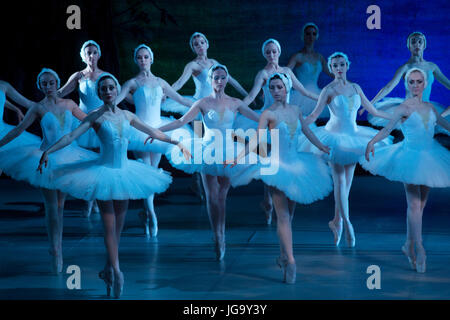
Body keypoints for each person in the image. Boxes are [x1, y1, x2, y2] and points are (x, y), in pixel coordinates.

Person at [37, 72, 191, 298]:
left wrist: (176, 141)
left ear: (117, 90)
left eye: (111, 87)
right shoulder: (95, 116)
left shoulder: (127, 115)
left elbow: (152, 131)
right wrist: (48, 151)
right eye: (104, 89)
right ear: (99, 93)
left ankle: (109, 267)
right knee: (109, 227)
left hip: (126, 172)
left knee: (117, 229)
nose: (108, 91)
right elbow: (71, 137)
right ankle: (118, 272)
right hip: (103, 173)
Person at [225, 73, 333, 284]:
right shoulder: (268, 114)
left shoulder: (296, 110)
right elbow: (256, 139)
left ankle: (284, 256)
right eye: (272, 88)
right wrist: (238, 157)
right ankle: (291, 261)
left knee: (288, 217)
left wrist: (321, 146)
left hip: (297, 165)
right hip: (275, 166)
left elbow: (306, 131)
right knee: (283, 216)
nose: (275, 91)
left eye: (279, 87)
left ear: (287, 88)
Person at [149, 64, 259, 261]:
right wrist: (157, 131)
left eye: (222, 77)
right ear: (210, 80)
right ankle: (216, 235)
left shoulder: (235, 103)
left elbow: (260, 119)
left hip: (228, 150)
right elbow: (181, 121)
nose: (219, 81)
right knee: (211, 195)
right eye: (216, 77)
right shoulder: (202, 102)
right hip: (207, 150)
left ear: (226, 79)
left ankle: (222, 233)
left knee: (222, 196)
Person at [0, 68, 98, 274]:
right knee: (52, 205)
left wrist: (106, 120)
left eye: (51, 82)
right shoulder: (38, 108)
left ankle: (58, 246)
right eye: (44, 84)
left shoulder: (69, 104)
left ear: (57, 82)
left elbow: (87, 120)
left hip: (69, 156)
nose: (48, 86)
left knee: (60, 206)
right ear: (40, 86)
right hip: (45, 158)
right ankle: (56, 249)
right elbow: (18, 130)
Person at [299, 52, 393, 247]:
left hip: (354, 137)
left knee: (346, 187)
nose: (339, 68)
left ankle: (336, 221)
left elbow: (373, 111)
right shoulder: (328, 90)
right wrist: (298, 121)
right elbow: (314, 115)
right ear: (331, 69)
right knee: (340, 181)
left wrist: (395, 117)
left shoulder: (356, 87)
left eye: (341, 64)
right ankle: (347, 223)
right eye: (334, 65)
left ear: (347, 65)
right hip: (333, 138)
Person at [361, 68, 450, 273]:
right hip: (409, 156)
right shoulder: (403, 109)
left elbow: (445, 126)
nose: (416, 85)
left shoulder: (430, 108)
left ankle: (408, 244)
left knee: (421, 205)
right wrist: (372, 142)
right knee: (414, 205)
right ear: (407, 84)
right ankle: (419, 248)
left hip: (431, 157)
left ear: (425, 84)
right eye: (411, 82)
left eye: (419, 82)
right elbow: (387, 129)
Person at [235, 38, 320, 224]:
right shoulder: (263, 74)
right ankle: (269, 199)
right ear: (264, 54)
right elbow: (251, 95)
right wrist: (237, 107)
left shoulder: (287, 72)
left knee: (285, 158)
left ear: (279, 52)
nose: (271, 55)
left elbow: (304, 92)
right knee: (270, 159)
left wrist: (323, 98)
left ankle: (280, 202)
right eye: (268, 52)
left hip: (287, 118)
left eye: (274, 51)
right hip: (269, 118)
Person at [113, 44, 193, 237]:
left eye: (146, 57)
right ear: (135, 60)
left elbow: (182, 100)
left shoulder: (160, 82)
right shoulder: (132, 83)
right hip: (139, 130)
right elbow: (115, 101)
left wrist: (204, 105)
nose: (143, 60)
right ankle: (152, 213)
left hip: (158, 129)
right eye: (139, 57)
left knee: (153, 173)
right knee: (147, 170)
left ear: (151, 59)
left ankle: (147, 211)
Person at [360, 32, 450, 134]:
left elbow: (448, 83)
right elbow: (388, 87)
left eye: (420, 41)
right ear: (409, 46)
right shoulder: (405, 68)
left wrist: (439, 116)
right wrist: (370, 103)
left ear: (424, 45)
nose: (417, 44)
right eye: (413, 42)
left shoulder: (432, 67)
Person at [58, 40, 107, 217]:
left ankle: (95, 199)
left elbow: (114, 97)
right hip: (82, 120)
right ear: (83, 56)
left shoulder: (105, 76)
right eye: (88, 53)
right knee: (86, 162)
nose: (91, 56)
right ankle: (88, 199)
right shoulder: (79, 75)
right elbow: (61, 92)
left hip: (100, 121)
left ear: (99, 54)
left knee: (100, 161)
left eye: (94, 52)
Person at [161, 32, 249, 115]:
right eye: (196, 44)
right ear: (194, 49)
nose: (200, 45)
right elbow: (179, 83)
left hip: (215, 102)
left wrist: (247, 95)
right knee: (198, 130)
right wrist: (165, 93)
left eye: (202, 42)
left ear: (207, 44)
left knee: (219, 128)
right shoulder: (193, 65)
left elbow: (232, 80)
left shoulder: (214, 63)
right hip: (199, 103)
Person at [287, 22, 334, 118]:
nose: (311, 36)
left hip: (317, 93)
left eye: (314, 34)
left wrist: (346, 82)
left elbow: (332, 73)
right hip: (300, 96)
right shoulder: (297, 56)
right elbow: (285, 72)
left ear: (316, 36)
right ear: (303, 36)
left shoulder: (319, 57)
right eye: (308, 34)